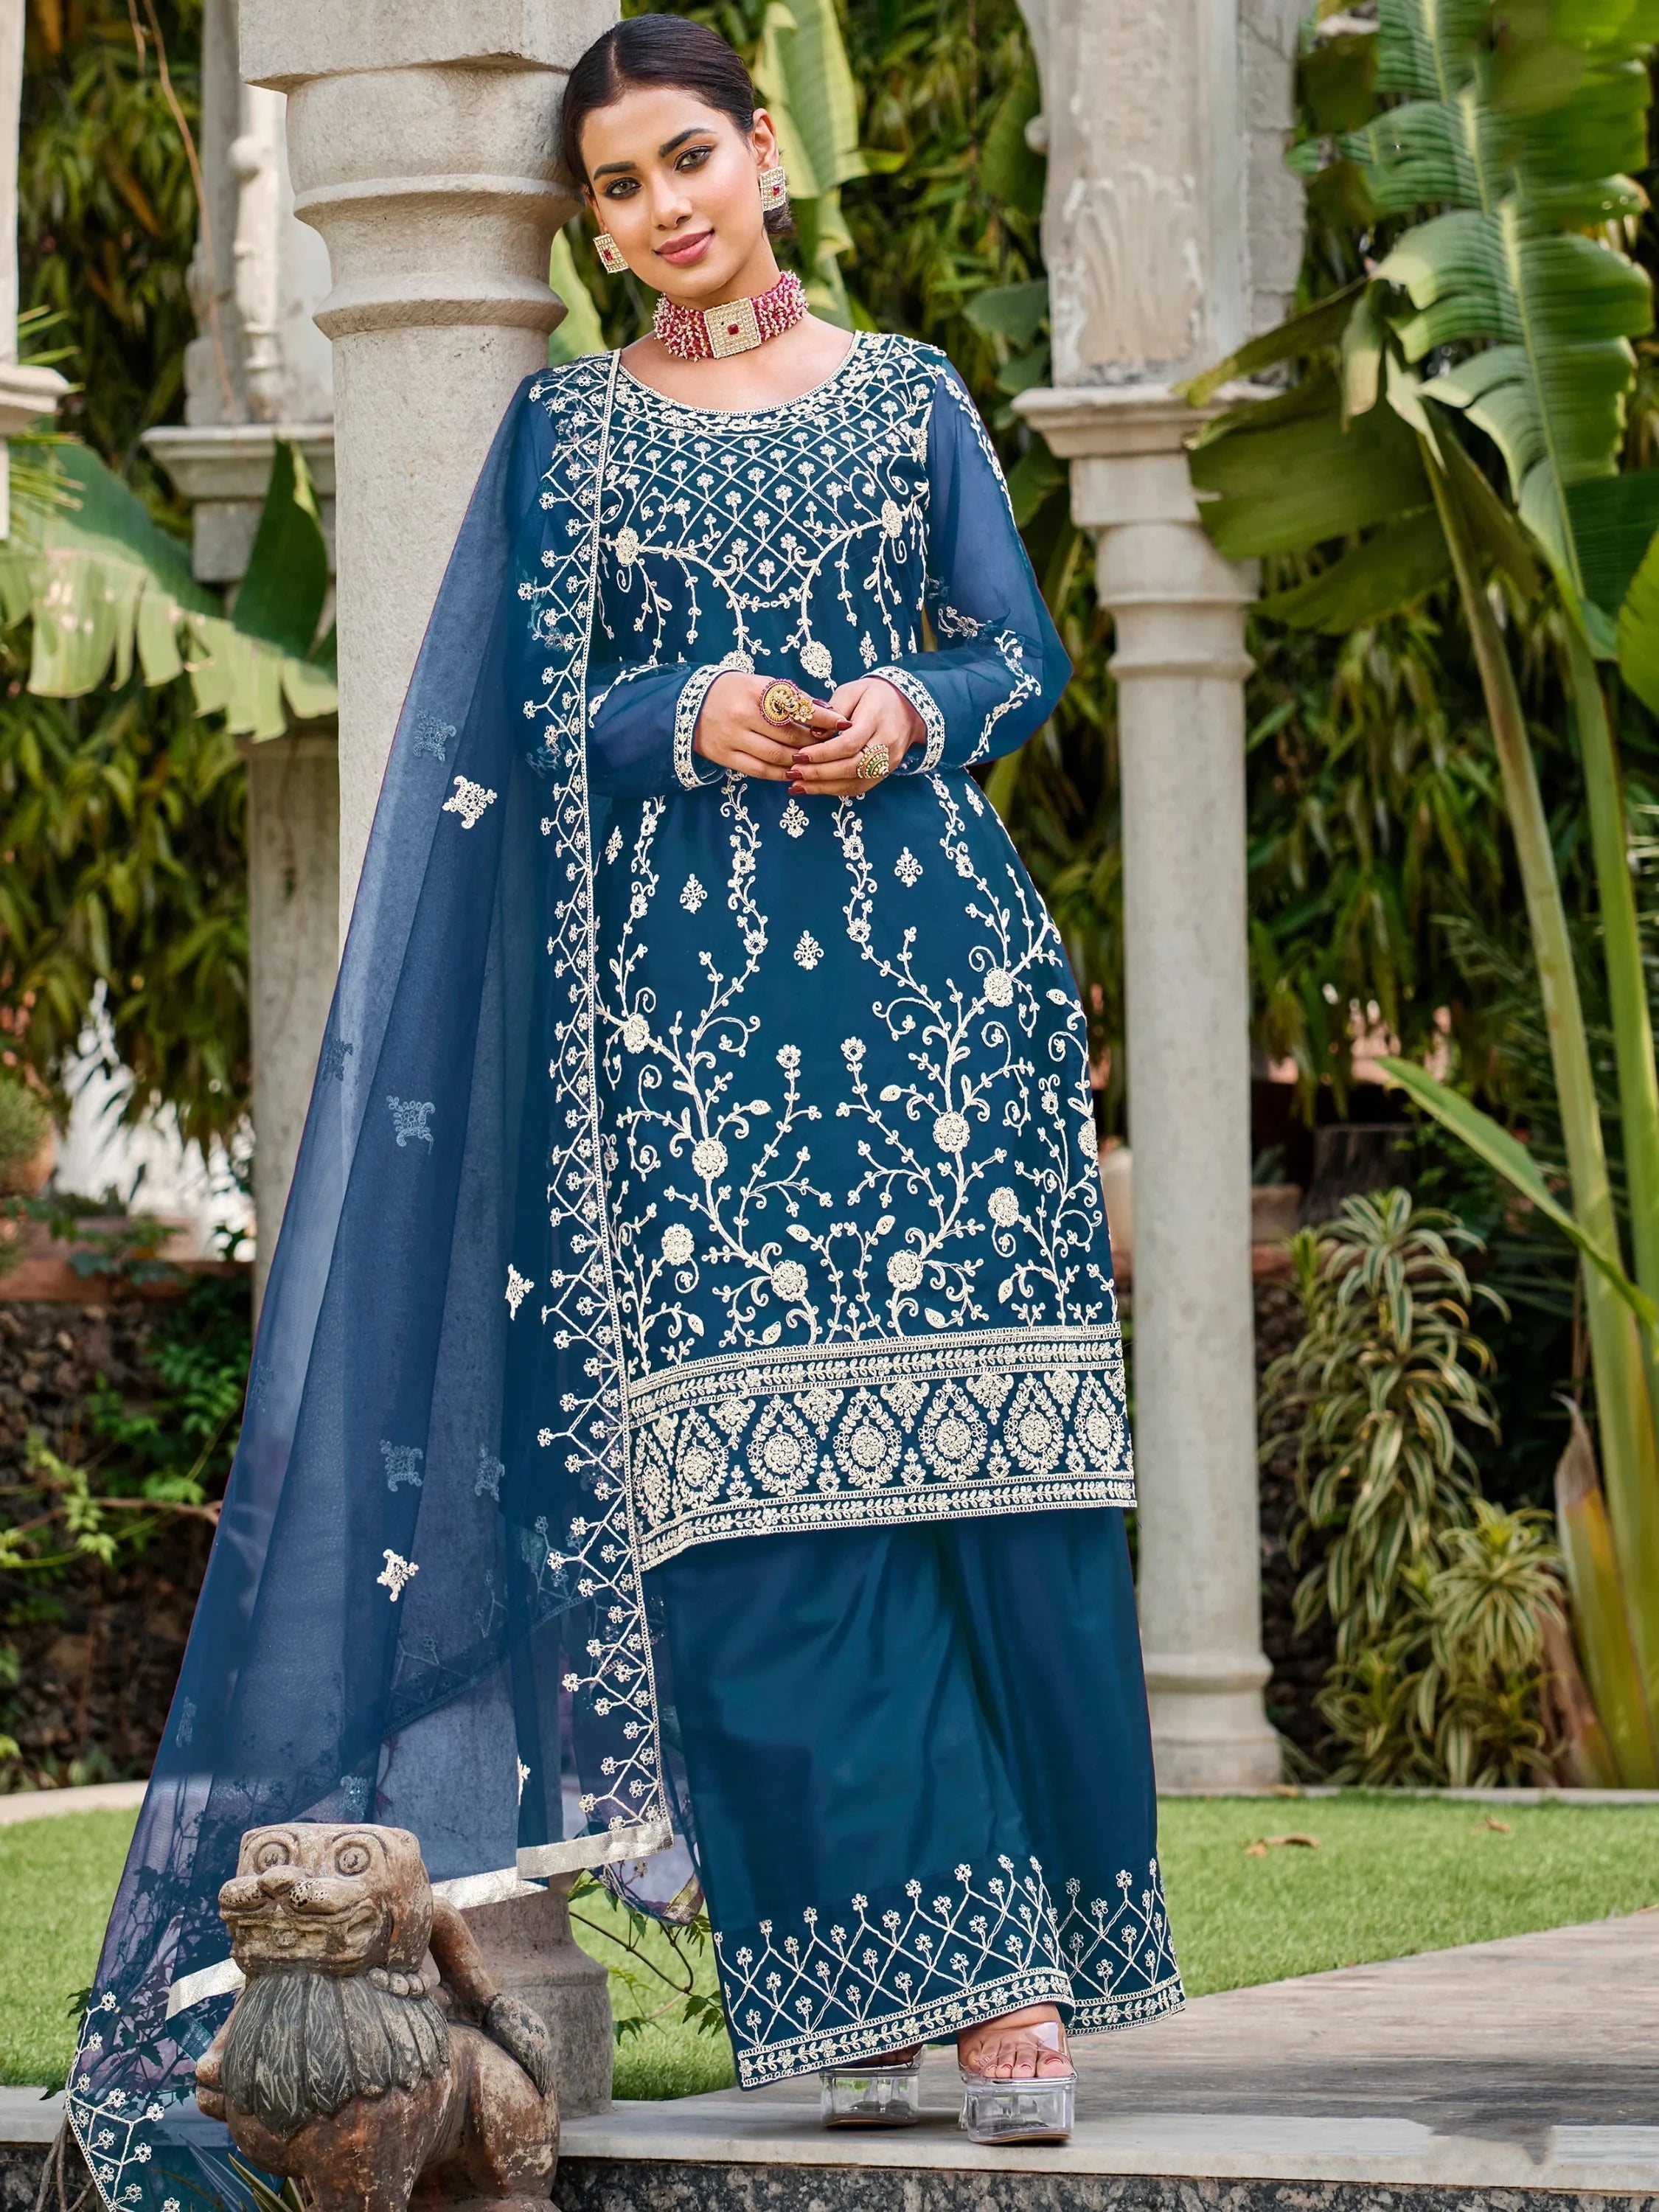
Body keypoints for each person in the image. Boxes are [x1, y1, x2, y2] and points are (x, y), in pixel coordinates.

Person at [68, 17, 1180, 2202]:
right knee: (755, 1514)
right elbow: (512, 717)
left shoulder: (913, 395)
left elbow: (1025, 655)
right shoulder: (569, 434)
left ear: (765, 152)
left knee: (981, 1479)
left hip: (941, 1006)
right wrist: (682, 708)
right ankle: (879, 1983)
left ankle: (1007, 1983)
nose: (663, 210)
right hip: (689, 1044)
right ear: (592, 224)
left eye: (688, 159)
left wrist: (904, 706)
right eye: (616, 188)